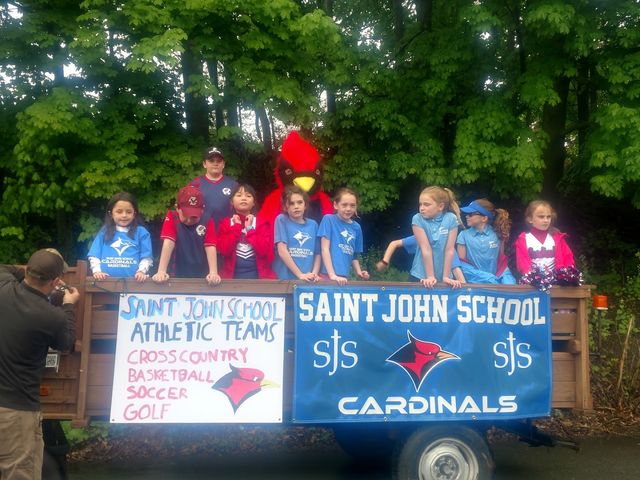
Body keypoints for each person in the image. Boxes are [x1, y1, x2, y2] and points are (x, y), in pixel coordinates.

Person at [0, 249, 80, 480]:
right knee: (19, 473)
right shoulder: (51, 316)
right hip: (17, 411)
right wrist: (68, 305)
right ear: (55, 282)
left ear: (27, 270)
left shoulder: (3, 289)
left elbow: (5, 268)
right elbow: (66, 342)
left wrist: (32, 270)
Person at [152, 186, 221, 285]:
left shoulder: (207, 220)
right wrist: (161, 271)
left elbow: (210, 246)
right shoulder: (172, 216)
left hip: (202, 274)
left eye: (194, 217)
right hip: (176, 272)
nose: (189, 220)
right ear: (177, 208)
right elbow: (168, 242)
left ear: (202, 210)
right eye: (185, 215)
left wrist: (213, 272)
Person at [514, 199, 581, 289]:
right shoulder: (523, 239)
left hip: (558, 285)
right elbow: (522, 264)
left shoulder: (557, 238)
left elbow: (568, 258)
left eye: (548, 217)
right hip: (533, 285)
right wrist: (533, 278)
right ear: (530, 219)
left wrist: (567, 276)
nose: (546, 220)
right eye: (541, 217)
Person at [87, 192, 153, 282]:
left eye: (129, 212)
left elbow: (146, 256)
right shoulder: (104, 231)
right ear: (111, 214)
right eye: (119, 211)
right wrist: (97, 271)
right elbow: (94, 254)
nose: (124, 215)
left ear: (134, 214)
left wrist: (141, 271)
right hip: (105, 283)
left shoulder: (141, 232)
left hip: (133, 283)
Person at [217, 183, 276, 279]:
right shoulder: (225, 223)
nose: (244, 198)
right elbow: (224, 250)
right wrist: (236, 227)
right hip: (231, 279)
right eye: (239, 195)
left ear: (253, 203)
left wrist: (249, 229)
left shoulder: (262, 223)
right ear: (231, 202)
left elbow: (264, 251)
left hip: (259, 279)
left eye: (248, 196)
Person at [410, 186, 463, 289]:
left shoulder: (451, 218)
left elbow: (449, 250)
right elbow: (426, 249)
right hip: (420, 275)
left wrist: (446, 277)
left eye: (426, 204)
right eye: (420, 204)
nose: (422, 208)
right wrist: (430, 276)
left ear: (440, 206)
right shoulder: (417, 219)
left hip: (444, 274)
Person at [456, 199, 516, 284]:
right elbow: (463, 264)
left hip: (497, 282)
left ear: (484, 218)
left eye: (471, 214)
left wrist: (508, 282)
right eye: (467, 214)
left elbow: (501, 263)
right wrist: (490, 279)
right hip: (474, 284)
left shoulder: (498, 234)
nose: (467, 216)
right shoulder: (463, 235)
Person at [318, 188, 369, 285]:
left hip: (343, 279)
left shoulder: (357, 227)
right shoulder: (328, 220)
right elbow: (324, 249)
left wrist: (359, 272)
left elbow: (354, 256)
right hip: (326, 276)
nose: (348, 209)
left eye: (352, 205)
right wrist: (332, 275)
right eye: (344, 205)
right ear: (335, 205)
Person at [273, 186, 320, 281]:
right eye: (291, 203)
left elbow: (317, 253)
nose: (296, 206)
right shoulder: (281, 220)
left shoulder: (313, 224)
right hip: (285, 279)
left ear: (305, 205)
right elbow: (282, 251)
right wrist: (300, 275)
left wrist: (314, 274)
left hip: (308, 279)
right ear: (285, 207)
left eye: (300, 202)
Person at [376, 235, 467, 283]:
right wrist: (385, 262)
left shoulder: (447, 244)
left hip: (440, 285)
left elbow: (456, 269)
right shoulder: (421, 237)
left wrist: (465, 287)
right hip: (417, 279)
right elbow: (394, 244)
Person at [190, 146, 238, 228]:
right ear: (204, 164)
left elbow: (240, 210)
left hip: (226, 231)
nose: (215, 163)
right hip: (201, 230)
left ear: (223, 164)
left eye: (219, 161)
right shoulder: (195, 184)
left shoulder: (233, 185)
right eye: (211, 161)